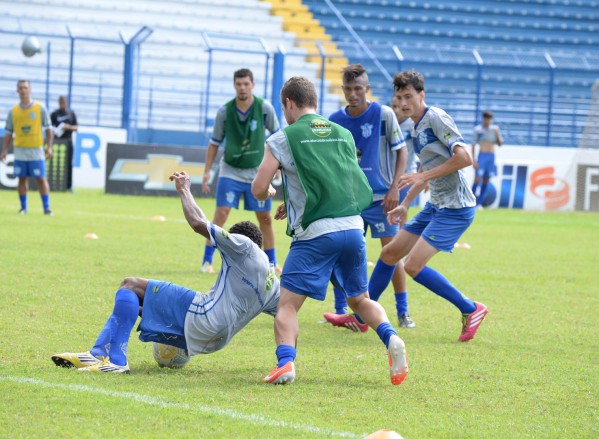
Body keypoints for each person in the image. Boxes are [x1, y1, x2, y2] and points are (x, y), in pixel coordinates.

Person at [252, 76, 408, 385]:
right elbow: (334, 179)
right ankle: (392, 338)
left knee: (287, 305)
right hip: (352, 227)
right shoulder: (342, 133)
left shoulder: (284, 137)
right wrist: (294, 202)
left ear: (288, 104)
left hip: (316, 234)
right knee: (360, 299)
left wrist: (271, 194)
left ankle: (285, 363)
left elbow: (259, 187)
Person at [51, 171, 280, 373]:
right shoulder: (271, 280)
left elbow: (199, 223)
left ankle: (117, 361)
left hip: (202, 316)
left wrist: (184, 190)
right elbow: (287, 314)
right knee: (137, 307)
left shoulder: (243, 246)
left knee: (130, 285)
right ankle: (97, 352)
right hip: (215, 340)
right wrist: (286, 360)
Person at [372, 70, 489, 343]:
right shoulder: (414, 125)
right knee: (390, 254)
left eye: (409, 96)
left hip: (455, 208)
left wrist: (422, 176)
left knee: (412, 266)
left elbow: (464, 158)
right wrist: (406, 205)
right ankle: (362, 314)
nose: (403, 103)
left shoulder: (436, 117)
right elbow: (426, 169)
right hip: (436, 205)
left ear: (421, 95)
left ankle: (471, 309)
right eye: (399, 97)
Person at [323, 64, 415, 332]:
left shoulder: (384, 114)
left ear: (367, 89)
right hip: (348, 200)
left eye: (358, 89)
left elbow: (402, 153)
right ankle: (341, 310)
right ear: (343, 90)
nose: (353, 94)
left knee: (391, 254)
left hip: (381, 199)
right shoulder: (335, 119)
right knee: (341, 254)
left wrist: (394, 188)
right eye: (348, 89)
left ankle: (403, 311)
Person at [201, 68, 281, 274]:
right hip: (230, 170)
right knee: (221, 213)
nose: (242, 87)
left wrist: (278, 164)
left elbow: (279, 137)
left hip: (257, 170)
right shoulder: (224, 111)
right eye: (239, 84)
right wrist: (207, 171)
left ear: (253, 85)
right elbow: (214, 143)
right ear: (234, 85)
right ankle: (207, 261)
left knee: (265, 217)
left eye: (246, 84)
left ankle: (271, 263)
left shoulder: (264, 108)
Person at [1, 80, 53, 215]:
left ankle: (46, 208)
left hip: (36, 150)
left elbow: (48, 129)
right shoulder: (13, 111)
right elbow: (8, 132)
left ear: (30, 89)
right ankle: (23, 207)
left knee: (41, 179)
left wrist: (49, 147)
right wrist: (5, 150)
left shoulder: (40, 108)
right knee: (22, 178)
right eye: (20, 88)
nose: (23, 90)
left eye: (25, 87)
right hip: (20, 150)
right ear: (17, 91)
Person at [471, 110, 503, 209]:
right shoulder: (478, 130)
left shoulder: (494, 130)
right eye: (486, 119)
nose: (488, 121)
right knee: (477, 179)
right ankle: (470, 201)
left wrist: (497, 134)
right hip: (482, 156)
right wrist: (474, 160)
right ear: (483, 119)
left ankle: (478, 203)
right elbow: (473, 144)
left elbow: (500, 144)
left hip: (491, 156)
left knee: (486, 180)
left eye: (490, 119)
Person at [50, 95, 78, 190]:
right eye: (61, 102)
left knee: (69, 164)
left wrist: (67, 127)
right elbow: (50, 127)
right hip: (57, 142)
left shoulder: (71, 113)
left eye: (64, 102)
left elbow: (76, 127)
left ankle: (69, 186)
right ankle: (54, 184)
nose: (62, 104)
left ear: (67, 102)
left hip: (68, 142)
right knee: (56, 164)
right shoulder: (54, 114)